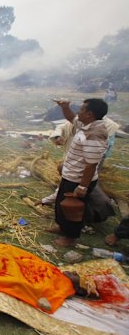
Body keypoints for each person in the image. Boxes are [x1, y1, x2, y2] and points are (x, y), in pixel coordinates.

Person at [46, 99, 109, 247]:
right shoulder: (87, 124)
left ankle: (70, 238)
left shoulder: (94, 134)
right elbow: (71, 118)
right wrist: (65, 107)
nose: (78, 111)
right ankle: (62, 227)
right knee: (61, 205)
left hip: (78, 180)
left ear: (89, 114)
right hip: (70, 176)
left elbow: (91, 164)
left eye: (81, 109)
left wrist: (82, 187)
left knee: (73, 210)